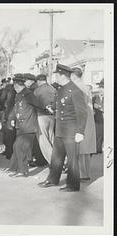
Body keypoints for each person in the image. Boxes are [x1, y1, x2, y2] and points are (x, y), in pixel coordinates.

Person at [39, 64, 88, 192]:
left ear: (62, 75)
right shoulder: (61, 90)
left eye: (57, 75)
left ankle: (73, 185)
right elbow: (60, 107)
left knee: (72, 159)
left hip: (71, 131)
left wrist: (80, 131)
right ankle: (52, 180)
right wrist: (52, 108)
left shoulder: (75, 90)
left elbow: (82, 112)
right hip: (60, 129)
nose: (56, 77)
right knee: (56, 157)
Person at [4, 73, 41, 177]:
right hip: (21, 125)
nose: (14, 89)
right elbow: (16, 109)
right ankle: (14, 168)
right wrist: (12, 118)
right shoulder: (19, 95)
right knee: (16, 146)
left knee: (22, 148)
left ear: (17, 85)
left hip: (28, 126)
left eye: (14, 87)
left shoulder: (28, 94)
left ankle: (23, 171)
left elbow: (38, 105)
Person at [70, 67, 97, 182]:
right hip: (89, 117)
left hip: (80, 118)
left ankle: (81, 174)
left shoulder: (76, 86)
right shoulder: (85, 86)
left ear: (74, 75)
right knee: (85, 148)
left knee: (79, 146)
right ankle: (85, 173)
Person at [33, 74, 56, 166]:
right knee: (52, 139)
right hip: (51, 116)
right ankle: (63, 160)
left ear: (38, 81)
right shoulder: (52, 89)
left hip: (41, 116)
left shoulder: (37, 90)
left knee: (43, 141)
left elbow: (34, 103)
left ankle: (54, 162)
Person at [0, 78, 16, 160]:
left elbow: (2, 100)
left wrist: (3, 108)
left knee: (9, 133)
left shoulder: (7, 88)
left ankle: (9, 153)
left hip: (9, 112)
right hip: (17, 112)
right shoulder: (18, 87)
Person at [92, 78, 104, 153]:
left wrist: (99, 107)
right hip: (97, 119)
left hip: (106, 120)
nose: (101, 89)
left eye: (102, 87)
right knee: (98, 134)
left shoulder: (109, 97)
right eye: (100, 87)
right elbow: (92, 107)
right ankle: (97, 149)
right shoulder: (95, 97)